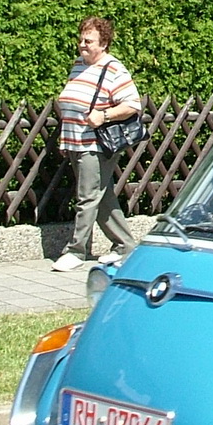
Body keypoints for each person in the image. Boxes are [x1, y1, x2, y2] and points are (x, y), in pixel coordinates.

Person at [52, 16, 141, 272]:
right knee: (102, 197)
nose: (82, 44)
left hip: (96, 145)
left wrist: (104, 115)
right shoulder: (79, 65)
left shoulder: (113, 69)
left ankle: (76, 250)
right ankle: (125, 246)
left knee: (87, 197)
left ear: (103, 43)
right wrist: (64, 139)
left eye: (88, 40)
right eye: (81, 39)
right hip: (75, 142)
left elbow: (132, 104)